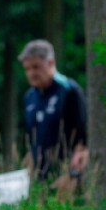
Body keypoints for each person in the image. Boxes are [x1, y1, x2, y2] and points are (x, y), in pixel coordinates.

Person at [19, 39, 89, 184]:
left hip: (66, 177)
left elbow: (84, 140)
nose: (31, 73)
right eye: (27, 69)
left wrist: (72, 175)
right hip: (39, 180)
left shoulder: (69, 91)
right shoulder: (29, 97)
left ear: (50, 63)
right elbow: (33, 139)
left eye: (36, 67)